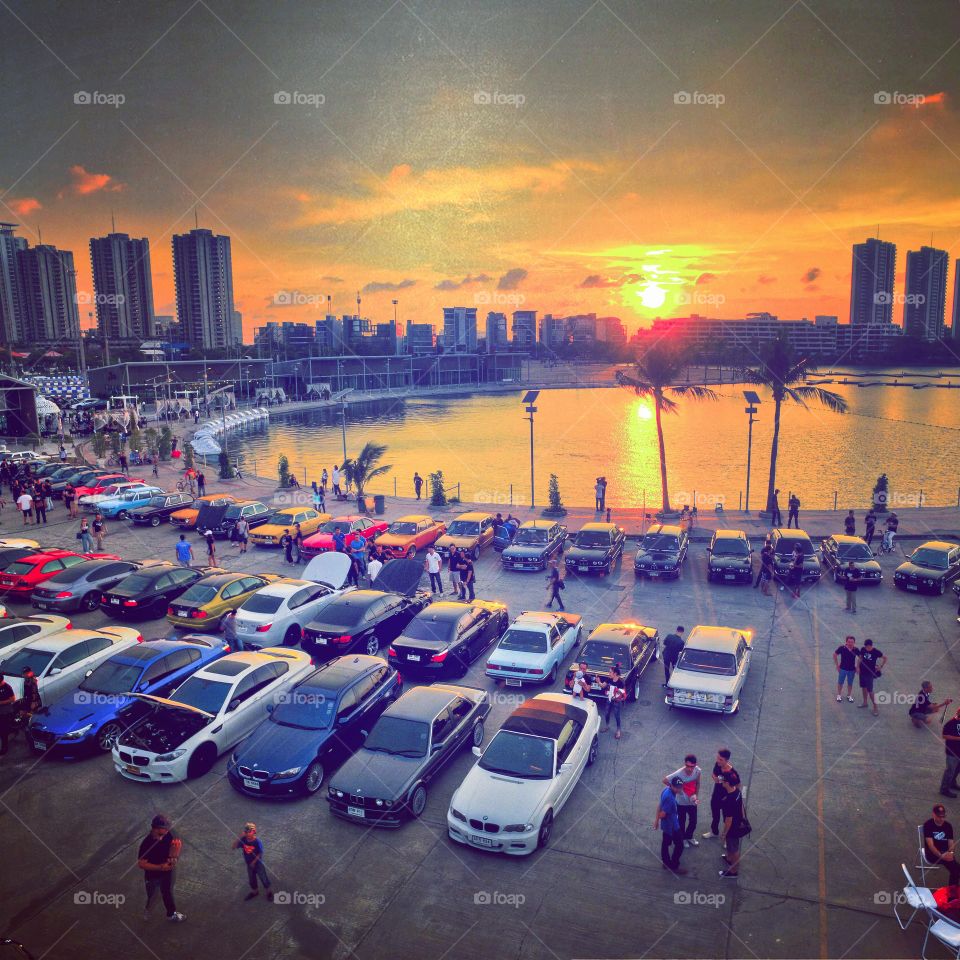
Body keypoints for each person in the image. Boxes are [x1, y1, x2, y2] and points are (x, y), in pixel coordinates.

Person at [138, 814, 185, 922]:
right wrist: (160, 867)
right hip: (152, 874)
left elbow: (175, 848)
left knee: (167, 892)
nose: (160, 838)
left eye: (163, 835)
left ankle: (171, 914)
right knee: (153, 895)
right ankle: (148, 909)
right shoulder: (146, 843)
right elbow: (141, 864)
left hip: (166, 871)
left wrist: (174, 857)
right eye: (158, 834)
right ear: (153, 828)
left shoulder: (170, 835)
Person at [663, 755, 701, 848]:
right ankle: (683, 838)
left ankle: (689, 836)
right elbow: (665, 780)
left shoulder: (698, 771)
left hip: (692, 800)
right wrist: (676, 790)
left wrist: (696, 795)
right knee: (681, 821)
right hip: (681, 802)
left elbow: (698, 783)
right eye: (687, 766)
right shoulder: (679, 773)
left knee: (693, 821)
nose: (689, 769)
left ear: (695, 765)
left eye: (691, 766)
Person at [232, 823, 273, 902]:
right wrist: (239, 837)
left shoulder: (257, 841)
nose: (247, 834)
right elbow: (233, 847)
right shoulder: (243, 840)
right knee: (252, 879)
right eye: (246, 832)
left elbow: (260, 853)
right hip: (249, 864)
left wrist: (254, 862)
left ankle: (269, 892)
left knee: (263, 877)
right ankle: (255, 892)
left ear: (254, 832)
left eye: (249, 832)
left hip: (258, 864)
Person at [654, 776, 687, 874]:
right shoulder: (670, 798)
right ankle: (674, 866)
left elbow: (659, 805)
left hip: (667, 825)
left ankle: (666, 862)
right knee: (680, 845)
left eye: (680, 787)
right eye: (676, 787)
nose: (678, 789)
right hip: (672, 826)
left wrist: (656, 821)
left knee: (666, 843)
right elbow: (663, 814)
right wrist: (660, 818)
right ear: (671, 785)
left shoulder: (666, 790)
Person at [703, 749, 737, 839]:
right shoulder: (717, 765)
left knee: (727, 819)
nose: (718, 761)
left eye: (721, 759)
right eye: (718, 758)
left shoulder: (732, 773)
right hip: (716, 796)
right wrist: (715, 778)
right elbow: (713, 774)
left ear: (727, 760)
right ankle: (714, 832)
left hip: (727, 799)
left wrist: (732, 797)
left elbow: (737, 785)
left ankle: (727, 837)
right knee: (715, 816)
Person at [719, 770, 746, 879]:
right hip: (737, 823)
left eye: (723, 780)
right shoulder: (737, 791)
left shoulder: (729, 800)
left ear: (727, 783)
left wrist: (724, 833)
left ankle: (733, 871)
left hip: (732, 828)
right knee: (731, 847)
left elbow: (728, 820)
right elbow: (741, 807)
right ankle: (729, 858)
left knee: (734, 849)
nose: (722, 782)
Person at [924, 804, 960, 884]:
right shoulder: (928, 825)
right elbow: (931, 846)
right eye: (939, 816)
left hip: (946, 853)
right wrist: (941, 856)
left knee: (956, 870)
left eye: (943, 816)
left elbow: (951, 842)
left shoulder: (948, 826)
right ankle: (952, 894)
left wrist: (951, 853)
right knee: (956, 870)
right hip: (933, 854)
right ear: (933, 814)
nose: (941, 819)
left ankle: (953, 892)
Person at [856, 639, 886, 716]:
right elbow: (860, 658)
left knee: (870, 690)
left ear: (871, 645)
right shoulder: (863, 649)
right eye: (866, 646)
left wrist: (881, 666)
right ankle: (865, 702)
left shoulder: (876, 652)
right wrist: (858, 667)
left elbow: (885, 658)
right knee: (863, 687)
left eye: (868, 646)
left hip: (870, 673)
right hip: (862, 672)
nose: (867, 648)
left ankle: (875, 707)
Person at [601, 666, 626, 739]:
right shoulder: (609, 679)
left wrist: (617, 692)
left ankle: (618, 730)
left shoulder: (620, 682)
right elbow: (603, 686)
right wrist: (598, 681)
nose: (609, 673)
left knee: (617, 715)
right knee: (606, 713)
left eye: (610, 672)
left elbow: (623, 692)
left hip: (616, 701)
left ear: (615, 673)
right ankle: (607, 726)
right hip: (609, 699)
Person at [833, 635, 858, 703]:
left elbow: (860, 657)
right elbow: (834, 654)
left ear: (854, 642)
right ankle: (839, 695)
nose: (850, 643)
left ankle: (849, 695)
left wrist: (857, 667)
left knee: (850, 683)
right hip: (842, 669)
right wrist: (837, 665)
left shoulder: (856, 649)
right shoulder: (842, 648)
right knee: (840, 682)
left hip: (852, 670)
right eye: (849, 642)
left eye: (852, 642)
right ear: (846, 642)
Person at [943, 707, 960, 798]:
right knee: (950, 770)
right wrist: (957, 738)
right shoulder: (951, 723)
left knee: (957, 769)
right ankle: (944, 789)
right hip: (952, 751)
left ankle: (952, 783)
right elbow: (944, 735)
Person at [0, 673, 16, 754]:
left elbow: (12, 699)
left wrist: (1, 702)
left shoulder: (7, 687)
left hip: (5, 712)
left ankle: (4, 748)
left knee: (3, 730)